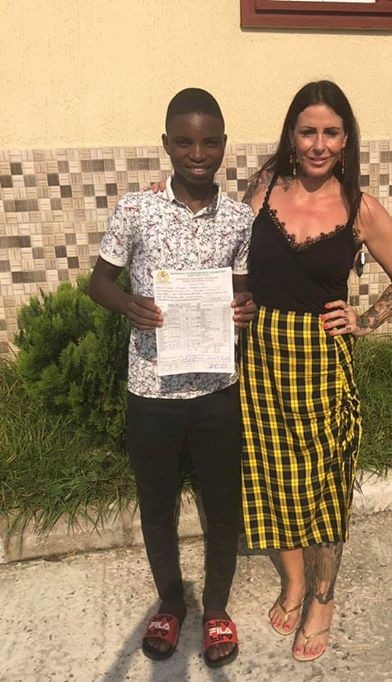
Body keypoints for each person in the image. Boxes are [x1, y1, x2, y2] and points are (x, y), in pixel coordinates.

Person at [240, 80, 392, 663]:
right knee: (273, 475)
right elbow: (229, 254)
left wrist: (364, 320)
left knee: (323, 485)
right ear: (291, 137)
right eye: (308, 131)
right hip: (261, 356)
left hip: (320, 361)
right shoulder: (262, 189)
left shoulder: (360, 208)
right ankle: (293, 581)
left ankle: (322, 597)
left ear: (346, 141)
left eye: (331, 133)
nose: (319, 144)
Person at [88, 88, 255, 669]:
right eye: (184, 142)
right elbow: (98, 283)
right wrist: (127, 304)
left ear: (224, 145)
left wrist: (245, 307)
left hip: (216, 389)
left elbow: (241, 290)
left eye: (209, 142)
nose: (197, 154)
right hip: (152, 389)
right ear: (166, 144)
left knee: (223, 504)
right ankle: (170, 603)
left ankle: (216, 609)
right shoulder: (136, 210)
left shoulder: (239, 219)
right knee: (156, 504)